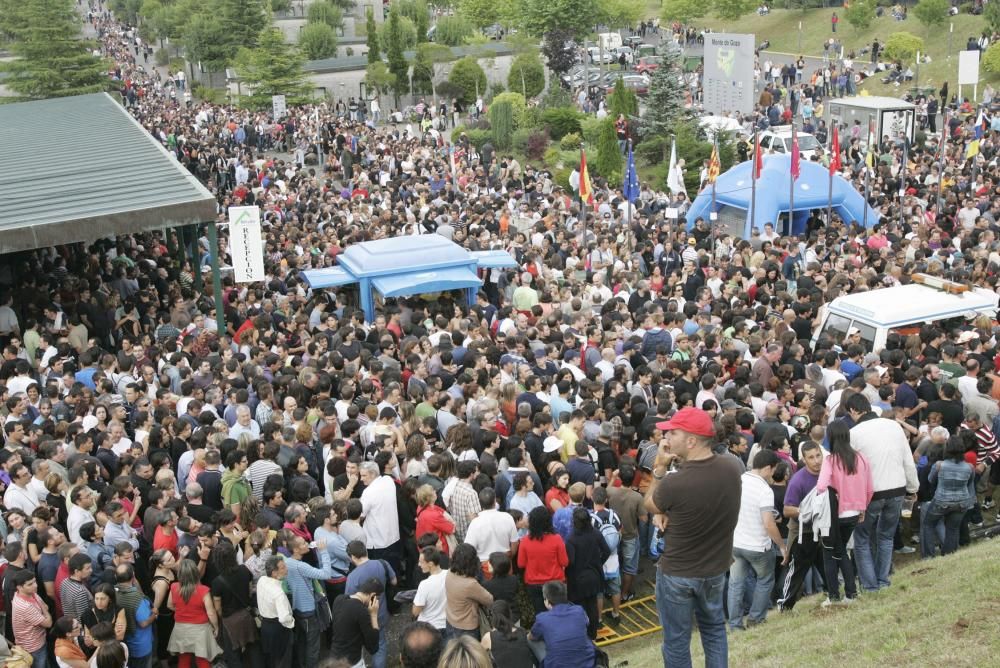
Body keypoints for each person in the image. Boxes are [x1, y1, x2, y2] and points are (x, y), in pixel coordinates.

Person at [644, 407, 742, 667]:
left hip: (678, 572)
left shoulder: (675, 483)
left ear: (691, 440)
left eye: (673, 433)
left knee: (676, 640)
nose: (666, 438)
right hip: (715, 569)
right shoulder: (731, 468)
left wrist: (659, 468)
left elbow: (651, 504)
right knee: (714, 630)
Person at [845, 394, 919, 592]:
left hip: (871, 493)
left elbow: (849, 469)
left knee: (862, 539)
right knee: (886, 537)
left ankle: (870, 586)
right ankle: (883, 580)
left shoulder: (854, 433)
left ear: (853, 410)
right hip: (897, 488)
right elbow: (908, 460)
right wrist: (913, 488)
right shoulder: (893, 426)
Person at [816, 421, 874, 605]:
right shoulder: (862, 458)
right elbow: (869, 488)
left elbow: (821, 487)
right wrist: (862, 507)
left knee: (831, 553)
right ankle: (850, 593)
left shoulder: (830, 460)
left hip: (835, 514)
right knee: (841, 551)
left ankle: (836, 595)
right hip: (855, 511)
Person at [728, 449, 786, 630]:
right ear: (768, 468)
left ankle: (735, 625)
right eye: (774, 469)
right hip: (758, 546)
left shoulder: (738, 480)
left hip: (736, 542)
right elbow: (769, 523)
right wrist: (782, 546)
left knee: (735, 584)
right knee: (765, 580)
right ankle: (755, 619)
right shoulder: (764, 490)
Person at [777, 441, 827, 611]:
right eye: (811, 457)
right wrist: (808, 512)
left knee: (827, 565)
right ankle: (785, 605)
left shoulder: (828, 473)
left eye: (818, 455)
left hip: (823, 529)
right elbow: (787, 510)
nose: (816, 461)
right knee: (797, 570)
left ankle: (832, 593)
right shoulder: (798, 480)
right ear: (804, 460)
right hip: (802, 532)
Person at [921, 435, 976, 558]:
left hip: (941, 500)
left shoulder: (939, 465)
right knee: (953, 529)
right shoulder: (970, 467)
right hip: (961, 503)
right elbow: (969, 484)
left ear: (947, 449)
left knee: (928, 525)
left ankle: (929, 557)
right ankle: (949, 556)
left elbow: (930, 480)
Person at [565, 507, 611, 639]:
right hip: (595, 576)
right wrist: (598, 563)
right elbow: (607, 550)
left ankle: (582, 635)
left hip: (578, 579)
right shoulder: (595, 533)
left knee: (579, 608)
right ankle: (593, 633)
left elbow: (571, 561)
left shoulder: (571, 538)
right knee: (592, 605)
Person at [166, 559, 222, 668]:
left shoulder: (174, 587)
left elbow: (169, 605)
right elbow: (211, 613)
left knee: (183, 659)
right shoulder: (203, 590)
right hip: (200, 630)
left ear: (180, 574)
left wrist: (182, 611)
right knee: (202, 660)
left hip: (180, 629)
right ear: (195, 573)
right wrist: (216, 627)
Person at [528, 580, 596, 668]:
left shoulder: (542, 619)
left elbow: (531, 637)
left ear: (547, 601)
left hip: (557, 665)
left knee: (530, 640)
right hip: (588, 664)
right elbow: (586, 622)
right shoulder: (579, 610)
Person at [516, 507, 568, 614]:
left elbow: (521, 564)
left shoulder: (525, 541)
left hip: (534, 583)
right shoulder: (557, 539)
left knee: (540, 613)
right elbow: (564, 562)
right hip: (556, 582)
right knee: (558, 613)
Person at [329, 577, 383, 668]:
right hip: (352, 662)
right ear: (373, 595)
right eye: (377, 598)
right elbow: (373, 647)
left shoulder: (339, 599)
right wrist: (373, 615)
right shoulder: (362, 612)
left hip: (334, 657)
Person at [444, 544, 493, 640]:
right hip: (467, 628)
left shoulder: (450, 572)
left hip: (450, 620)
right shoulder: (470, 584)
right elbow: (489, 599)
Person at [257, 556, 293, 668]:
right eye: (282, 568)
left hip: (265, 626)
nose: (286, 569)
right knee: (282, 659)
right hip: (278, 628)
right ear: (274, 573)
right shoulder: (279, 593)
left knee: (270, 658)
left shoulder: (261, 580)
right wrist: (292, 622)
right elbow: (284, 618)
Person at [11, 570, 53, 668]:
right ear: (19, 587)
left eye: (35, 582)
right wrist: (43, 610)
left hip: (37, 640)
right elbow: (48, 623)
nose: (35, 586)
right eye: (30, 584)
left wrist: (43, 609)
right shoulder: (25, 606)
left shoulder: (29, 593)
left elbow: (46, 606)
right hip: (34, 647)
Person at [480, 599, 536, 666]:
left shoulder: (489, 637)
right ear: (509, 613)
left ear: (493, 617)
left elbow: (478, 655)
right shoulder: (522, 631)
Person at [412, 547, 447, 631]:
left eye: (421, 562)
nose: (419, 565)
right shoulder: (449, 574)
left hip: (428, 627)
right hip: (445, 624)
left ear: (430, 564)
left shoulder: (424, 584)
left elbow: (415, 611)